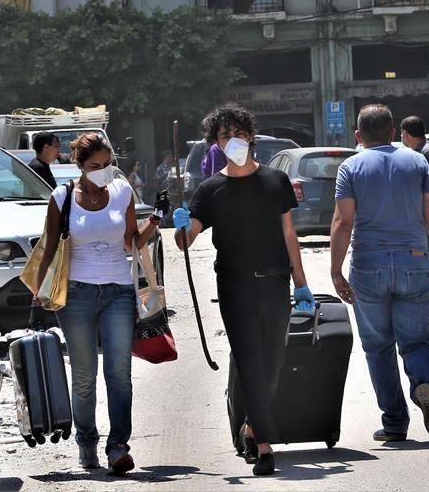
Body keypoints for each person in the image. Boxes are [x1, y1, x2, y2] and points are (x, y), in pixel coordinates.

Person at [172, 105, 315, 477]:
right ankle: (264, 445)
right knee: (250, 360)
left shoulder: (275, 181)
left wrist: (301, 283)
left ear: (250, 136)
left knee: (272, 364)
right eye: (224, 136)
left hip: (275, 282)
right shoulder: (210, 190)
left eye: (238, 133)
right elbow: (186, 241)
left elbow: (289, 235)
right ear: (214, 144)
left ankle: (251, 424)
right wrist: (181, 226)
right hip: (235, 286)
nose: (232, 140)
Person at [30, 133, 166, 474]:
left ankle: (118, 447)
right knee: (84, 375)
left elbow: (130, 242)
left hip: (119, 291)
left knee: (119, 373)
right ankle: (86, 442)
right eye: (95, 166)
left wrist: (154, 223)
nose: (104, 171)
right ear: (79, 165)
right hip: (75, 293)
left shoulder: (123, 192)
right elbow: (49, 249)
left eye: (108, 165)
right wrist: (38, 293)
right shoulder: (62, 198)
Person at [330, 104, 429, 443]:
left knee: (378, 347)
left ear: (358, 136)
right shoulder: (417, 162)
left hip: (368, 266)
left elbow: (343, 222)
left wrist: (336, 270)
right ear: (393, 133)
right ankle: (423, 384)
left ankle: (395, 422)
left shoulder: (350, 167)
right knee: (416, 341)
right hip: (414, 263)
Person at [400, 116, 429, 312]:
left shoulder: (427, 152)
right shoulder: (422, 150)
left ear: (406, 133)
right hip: (426, 212)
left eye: (402, 132)